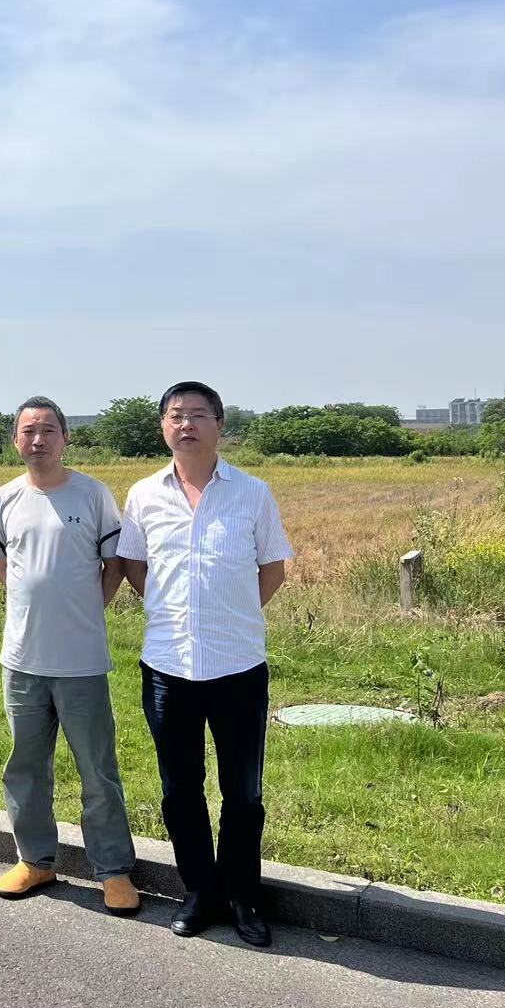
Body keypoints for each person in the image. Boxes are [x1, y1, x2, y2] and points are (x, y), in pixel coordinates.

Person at [116, 381, 293, 947]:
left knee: (243, 792)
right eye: (176, 415)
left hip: (238, 666)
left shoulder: (253, 493)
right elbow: (134, 566)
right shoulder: (143, 495)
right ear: (163, 427)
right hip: (167, 665)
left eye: (198, 414)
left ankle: (242, 896)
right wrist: (174, 611)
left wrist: (230, 614)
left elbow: (273, 568)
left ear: (220, 425)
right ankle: (198, 891)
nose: (186, 424)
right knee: (179, 788)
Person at [0, 397, 139, 915]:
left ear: (65, 438)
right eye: (28, 431)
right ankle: (36, 860)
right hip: (22, 660)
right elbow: (5, 566)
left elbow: (115, 565)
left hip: (81, 662)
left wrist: (85, 611)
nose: (38, 439)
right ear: (16, 440)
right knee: (25, 767)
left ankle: (113, 870)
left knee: (98, 770)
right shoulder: (6, 497)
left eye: (49, 430)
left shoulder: (93, 494)